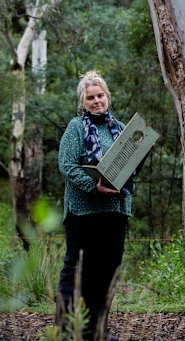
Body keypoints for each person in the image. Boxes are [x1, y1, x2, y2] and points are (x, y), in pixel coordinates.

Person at [56, 70, 131, 341]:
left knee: (106, 272)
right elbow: (66, 165)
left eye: (100, 96)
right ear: (82, 102)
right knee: (77, 272)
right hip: (83, 211)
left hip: (115, 210)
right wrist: (93, 186)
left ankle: (97, 331)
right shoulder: (76, 127)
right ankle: (67, 331)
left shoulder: (121, 130)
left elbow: (130, 165)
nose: (96, 101)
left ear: (107, 97)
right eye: (90, 98)